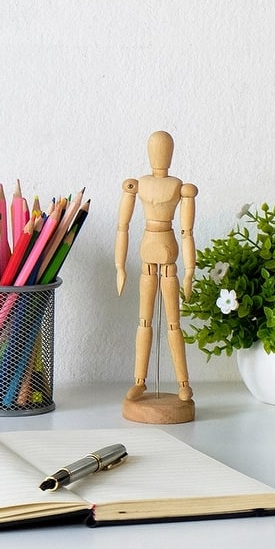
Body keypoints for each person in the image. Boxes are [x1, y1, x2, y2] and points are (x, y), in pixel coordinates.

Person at [116, 131, 197, 406]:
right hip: (148, 250)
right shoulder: (138, 184)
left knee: (173, 323)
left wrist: (189, 271)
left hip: (169, 250)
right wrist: (120, 266)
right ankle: (140, 380)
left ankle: (183, 383)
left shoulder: (179, 187)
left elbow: (187, 232)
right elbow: (122, 227)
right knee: (144, 321)